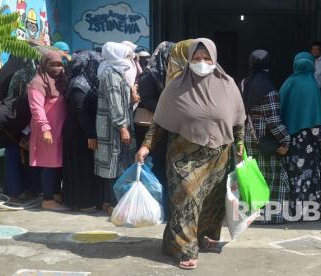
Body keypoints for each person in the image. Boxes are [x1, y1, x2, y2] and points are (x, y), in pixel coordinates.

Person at [135, 38, 245, 270]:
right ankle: (185, 249)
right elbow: (159, 123)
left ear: (214, 60)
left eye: (207, 59)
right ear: (188, 61)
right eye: (196, 59)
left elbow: (239, 120)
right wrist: (146, 146)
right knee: (185, 201)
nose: (202, 63)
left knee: (210, 204)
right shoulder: (175, 87)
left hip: (219, 156)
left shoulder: (228, 84)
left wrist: (241, 147)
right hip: (184, 156)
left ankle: (200, 239)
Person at [242, 49, 290, 224]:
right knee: (272, 178)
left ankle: (253, 215)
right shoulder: (268, 88)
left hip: (249, 138)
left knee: (253, 178)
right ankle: (273, 216)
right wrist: (286, 140)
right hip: (267, 142)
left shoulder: (244, 83)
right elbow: (273, 121)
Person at [279, 52, 321, 219]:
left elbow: (279, 111)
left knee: (292, 174)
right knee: (308, 175)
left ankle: (292, 209)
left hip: (289, 139)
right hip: (308, 141)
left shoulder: (288, 82)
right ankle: (307, 212)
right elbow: (315, 117)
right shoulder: (312, 84)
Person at [95, 42, 138, 213]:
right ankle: (111, 203)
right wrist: (122, 127)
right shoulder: (111, 74)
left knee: (118, 164)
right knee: (112, 166)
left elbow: (121, 100)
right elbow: (114, 104)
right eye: (126, 56)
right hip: (112, 128)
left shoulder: (118, 73)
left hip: (117, 125)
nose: (129, 60)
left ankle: (113, 202)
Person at [27, 50, 67, 211]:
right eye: (52, 65)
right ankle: (47, 199)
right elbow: (36, 108)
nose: (57, 68)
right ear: (44, 65)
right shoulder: (37, 83)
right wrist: (45, 129)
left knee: (57, 162)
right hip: (47, 130)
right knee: (49, 163)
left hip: (60, 128)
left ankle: (56, 194)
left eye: (59, 64)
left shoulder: (60, 81)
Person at [62, 50, 102, 212]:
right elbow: (80, 110)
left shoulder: (87, 81)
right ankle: (82, 201)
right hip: (79, 131)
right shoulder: (79, 84)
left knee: (85, 165)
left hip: (83, 129)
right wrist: (91, 134)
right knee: (80, 166)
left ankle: (86, 199)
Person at [135, 42, 175, 187]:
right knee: (157, 163)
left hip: (169, 126)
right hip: (153, 125)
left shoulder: (173, 73)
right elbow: (147, 100)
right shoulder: (149, 74)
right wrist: (168, 111)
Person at [3, 59, 41, 202]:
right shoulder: (27, 75)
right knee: (25, 154)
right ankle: (26, 190)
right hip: (22, 121)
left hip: (14, 119)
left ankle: (17, 192)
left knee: (21, 155)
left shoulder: (9, 71)